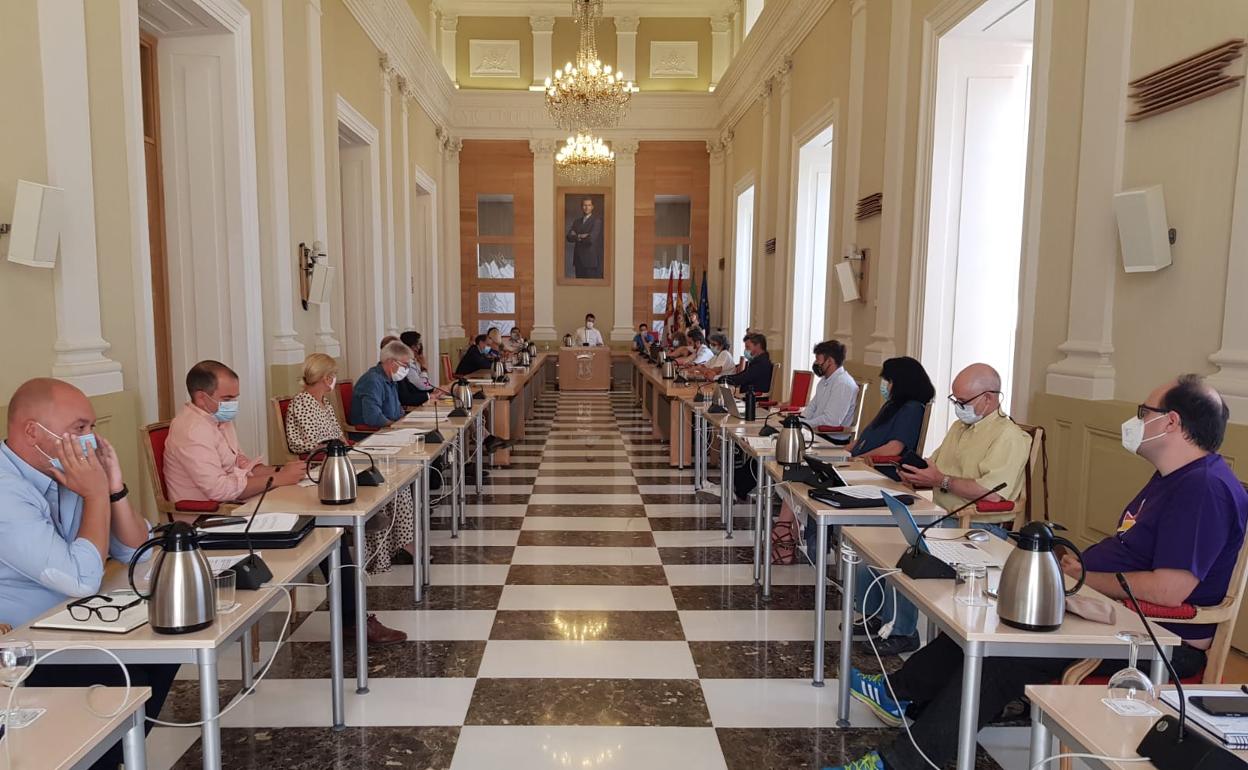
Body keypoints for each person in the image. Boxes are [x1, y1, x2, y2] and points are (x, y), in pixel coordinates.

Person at [836, 374, 1248, 770]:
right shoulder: (1172, 479)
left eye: (1144, 412)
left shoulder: (1203, 488)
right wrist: (1069, 575)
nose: (1137, 421)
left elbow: (1169, 589)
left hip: (1156, 638)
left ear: (1172, 422)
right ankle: (903, 695)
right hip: (1114, 612)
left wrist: (1077, 580)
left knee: (1004, 657)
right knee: (992, 620)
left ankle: (903, 761)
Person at [164, 360, 406, 646]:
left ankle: (353, 618)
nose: (234, 404)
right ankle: (353, 622)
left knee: (329, 527)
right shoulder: (192, 431)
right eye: (228, 399)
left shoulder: (218, 420)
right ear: (202, 397)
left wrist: (277, 472)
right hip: (213, 523)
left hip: (244, 505)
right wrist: (277, 478)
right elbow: (219, 489)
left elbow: (240, 462)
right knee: (328, 531)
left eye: (235, 397)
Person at [0, 378, 174, 770]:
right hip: (21, 648)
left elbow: (135, 551)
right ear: (32, 431)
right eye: (79, 429)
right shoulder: (5, 490)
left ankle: (103, 757)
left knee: (167, 645)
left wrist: (112, 489)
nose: (91, 440)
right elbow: (80, 579)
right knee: (123, 675)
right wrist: (94, 496)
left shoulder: (65, 474)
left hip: (68, 623)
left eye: (93, 428)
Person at [852, 363, 1031, 655]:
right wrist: (916, 472)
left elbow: (993, 493)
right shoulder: (961, 427)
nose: (958, 408)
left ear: (989, 398)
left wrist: (941, 480)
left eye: (963, 402)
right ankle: (876, 616)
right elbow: (935, 464)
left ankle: (902, 631)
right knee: (874, 541)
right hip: (942, 516)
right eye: (955, 400)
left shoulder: (1008, 437)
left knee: (910, 553)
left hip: (977, 527)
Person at [285, 354, 416, 573]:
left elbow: (338, 436)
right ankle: (375, 558)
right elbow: (309, 445)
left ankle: (397, 545)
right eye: (333, 375)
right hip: (323, 467)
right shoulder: (301, 404)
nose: (335, 379)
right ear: (326, 378)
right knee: (377, 490)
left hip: (341, 458)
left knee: (395, 486)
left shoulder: (324, 402)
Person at [850, 356, 935, 458]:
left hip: (877, 467)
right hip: (859, 461)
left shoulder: (912, 409)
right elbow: (864, 439)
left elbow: (893, 449)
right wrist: (843, 453)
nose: (886, 385)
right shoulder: (892, 405)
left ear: (902, 383)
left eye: (889, 381)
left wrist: (858, 460)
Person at [349, 340, 415, 430]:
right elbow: (374, 418)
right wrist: (397, 426)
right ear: (391, 362)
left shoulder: (391, 379)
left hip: (390, 429)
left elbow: (398, 412)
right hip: (370, 434)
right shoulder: (372, 381)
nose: (407, 369)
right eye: (405, 365)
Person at [801, 340, 859, 429]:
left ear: (830, 361)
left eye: (818, 360)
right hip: (817, 431)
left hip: (830, 436)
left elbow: (831, 421)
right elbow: (812, 407)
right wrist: (800, 419)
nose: (816, 363)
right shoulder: (824, 380)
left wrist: (805, 424)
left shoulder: (843, 384)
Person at [566, 196, 603, 278]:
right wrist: (581, 235)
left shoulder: (596, 221)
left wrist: (576, 235)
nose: (586, 207)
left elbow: (590, 239)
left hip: (590, 261)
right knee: (579, 287)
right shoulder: (577, 221)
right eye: (584, 205)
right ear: (581, 207)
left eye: (589, 205)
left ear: (592, 207)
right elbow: (568, 237)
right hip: (578, 260)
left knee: (591, 288)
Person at [398, 330, 433, 408]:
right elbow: (422, 386)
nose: (420, 347)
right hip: (412, 404)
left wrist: (434, 390)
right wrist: (424, 369)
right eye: (419, 344)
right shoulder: (408, 364)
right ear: (414, 347)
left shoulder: (414, 362)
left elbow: (425, 386)